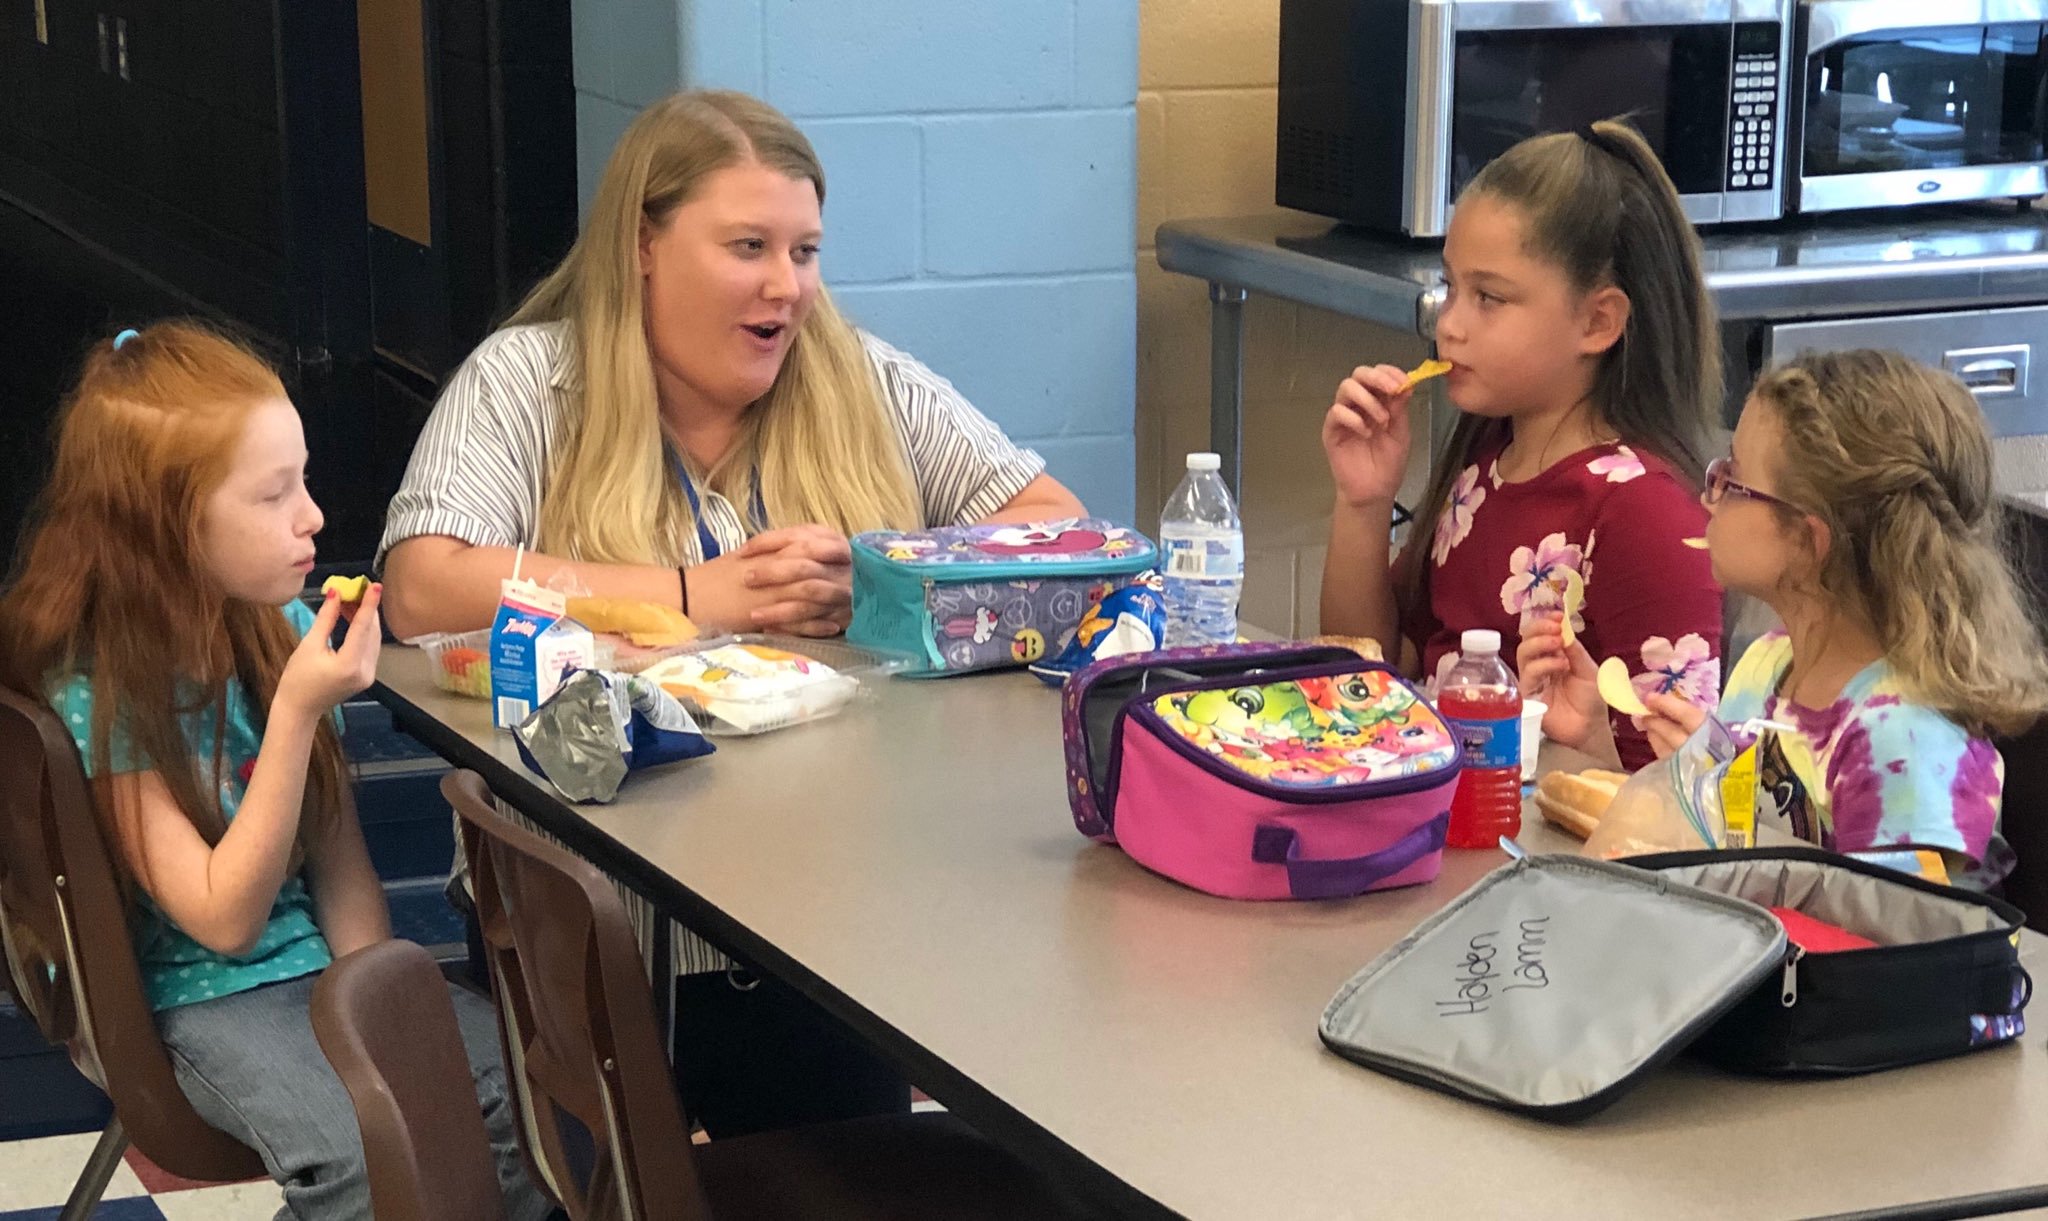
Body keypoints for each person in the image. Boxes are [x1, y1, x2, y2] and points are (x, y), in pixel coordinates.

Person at [377, 88, 1084, 1135]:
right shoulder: (526, 382)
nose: (785, 287)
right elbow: (421, 583)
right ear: (643, 245)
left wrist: (884, 578)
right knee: (607, 1183)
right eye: (748, 246)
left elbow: (1057, 529)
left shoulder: (863, 378)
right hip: (597, 925)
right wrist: (684, 596)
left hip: (823, 921)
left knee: (852, 1176)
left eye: (805, 251)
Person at [0, 323, 551, 1220]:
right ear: (169, 527)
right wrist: (294, 711)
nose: (314, 516)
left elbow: (339, 861)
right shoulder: (99, 692)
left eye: (304, 478)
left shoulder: (281, 631)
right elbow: (224, 920)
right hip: (199, 1000)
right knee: (372, 1161)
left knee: (530, 1114)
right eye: (273, 494)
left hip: (318, 971)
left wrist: (384, 1009)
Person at [1320, 119, 1724, 771]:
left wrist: (1586, 748)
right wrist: (1362, 502)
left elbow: (1679, 790)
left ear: (1598, 322)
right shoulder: (1487, 458)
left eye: (1489, 297)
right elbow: (1366, 672)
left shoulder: (1646, 514)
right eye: (1450, 287)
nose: (1449, 326)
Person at [1632, 350, 2048, 887]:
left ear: (1809, 541)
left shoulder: (1907, 742)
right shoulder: (1768, 663)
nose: (1709, 495)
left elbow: (1893, 927)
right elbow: (1730, 844)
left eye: (1733, 480)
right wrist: (1617, 743)